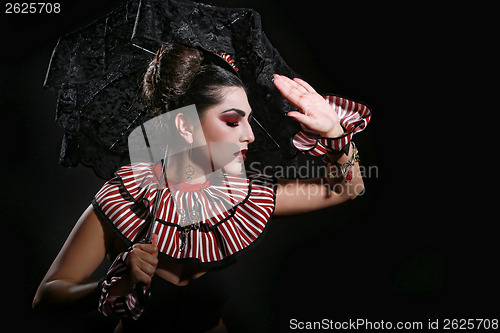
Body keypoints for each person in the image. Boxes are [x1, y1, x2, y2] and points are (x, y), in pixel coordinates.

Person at [33, 43, 368, 332]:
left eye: (249, 121)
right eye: (234, 121)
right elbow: (47, 298)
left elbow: (347, 188)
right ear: (185, 125)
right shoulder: (126, 199)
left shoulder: (245, 197)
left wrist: (335, 136)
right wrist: (112, 286)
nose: (249, 136)